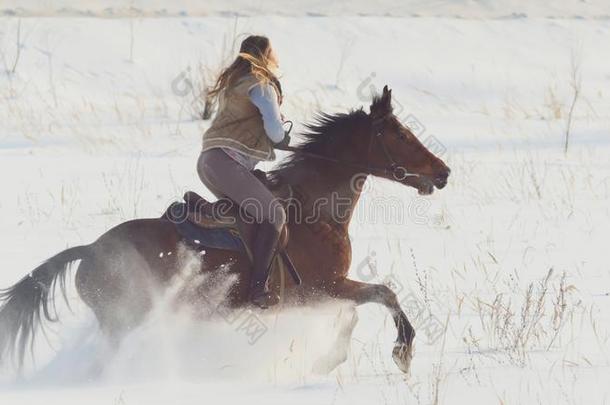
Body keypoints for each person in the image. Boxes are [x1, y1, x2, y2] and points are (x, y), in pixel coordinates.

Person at [197, 35, 290, 309]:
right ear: (266, 54)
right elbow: (274, 131)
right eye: (274, 51)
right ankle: (258, 287)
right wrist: (283, 137)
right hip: (226, 162)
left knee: (249, 215)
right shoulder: (262, 85)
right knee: (275, 214)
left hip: (210, 161)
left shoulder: (235, 82)